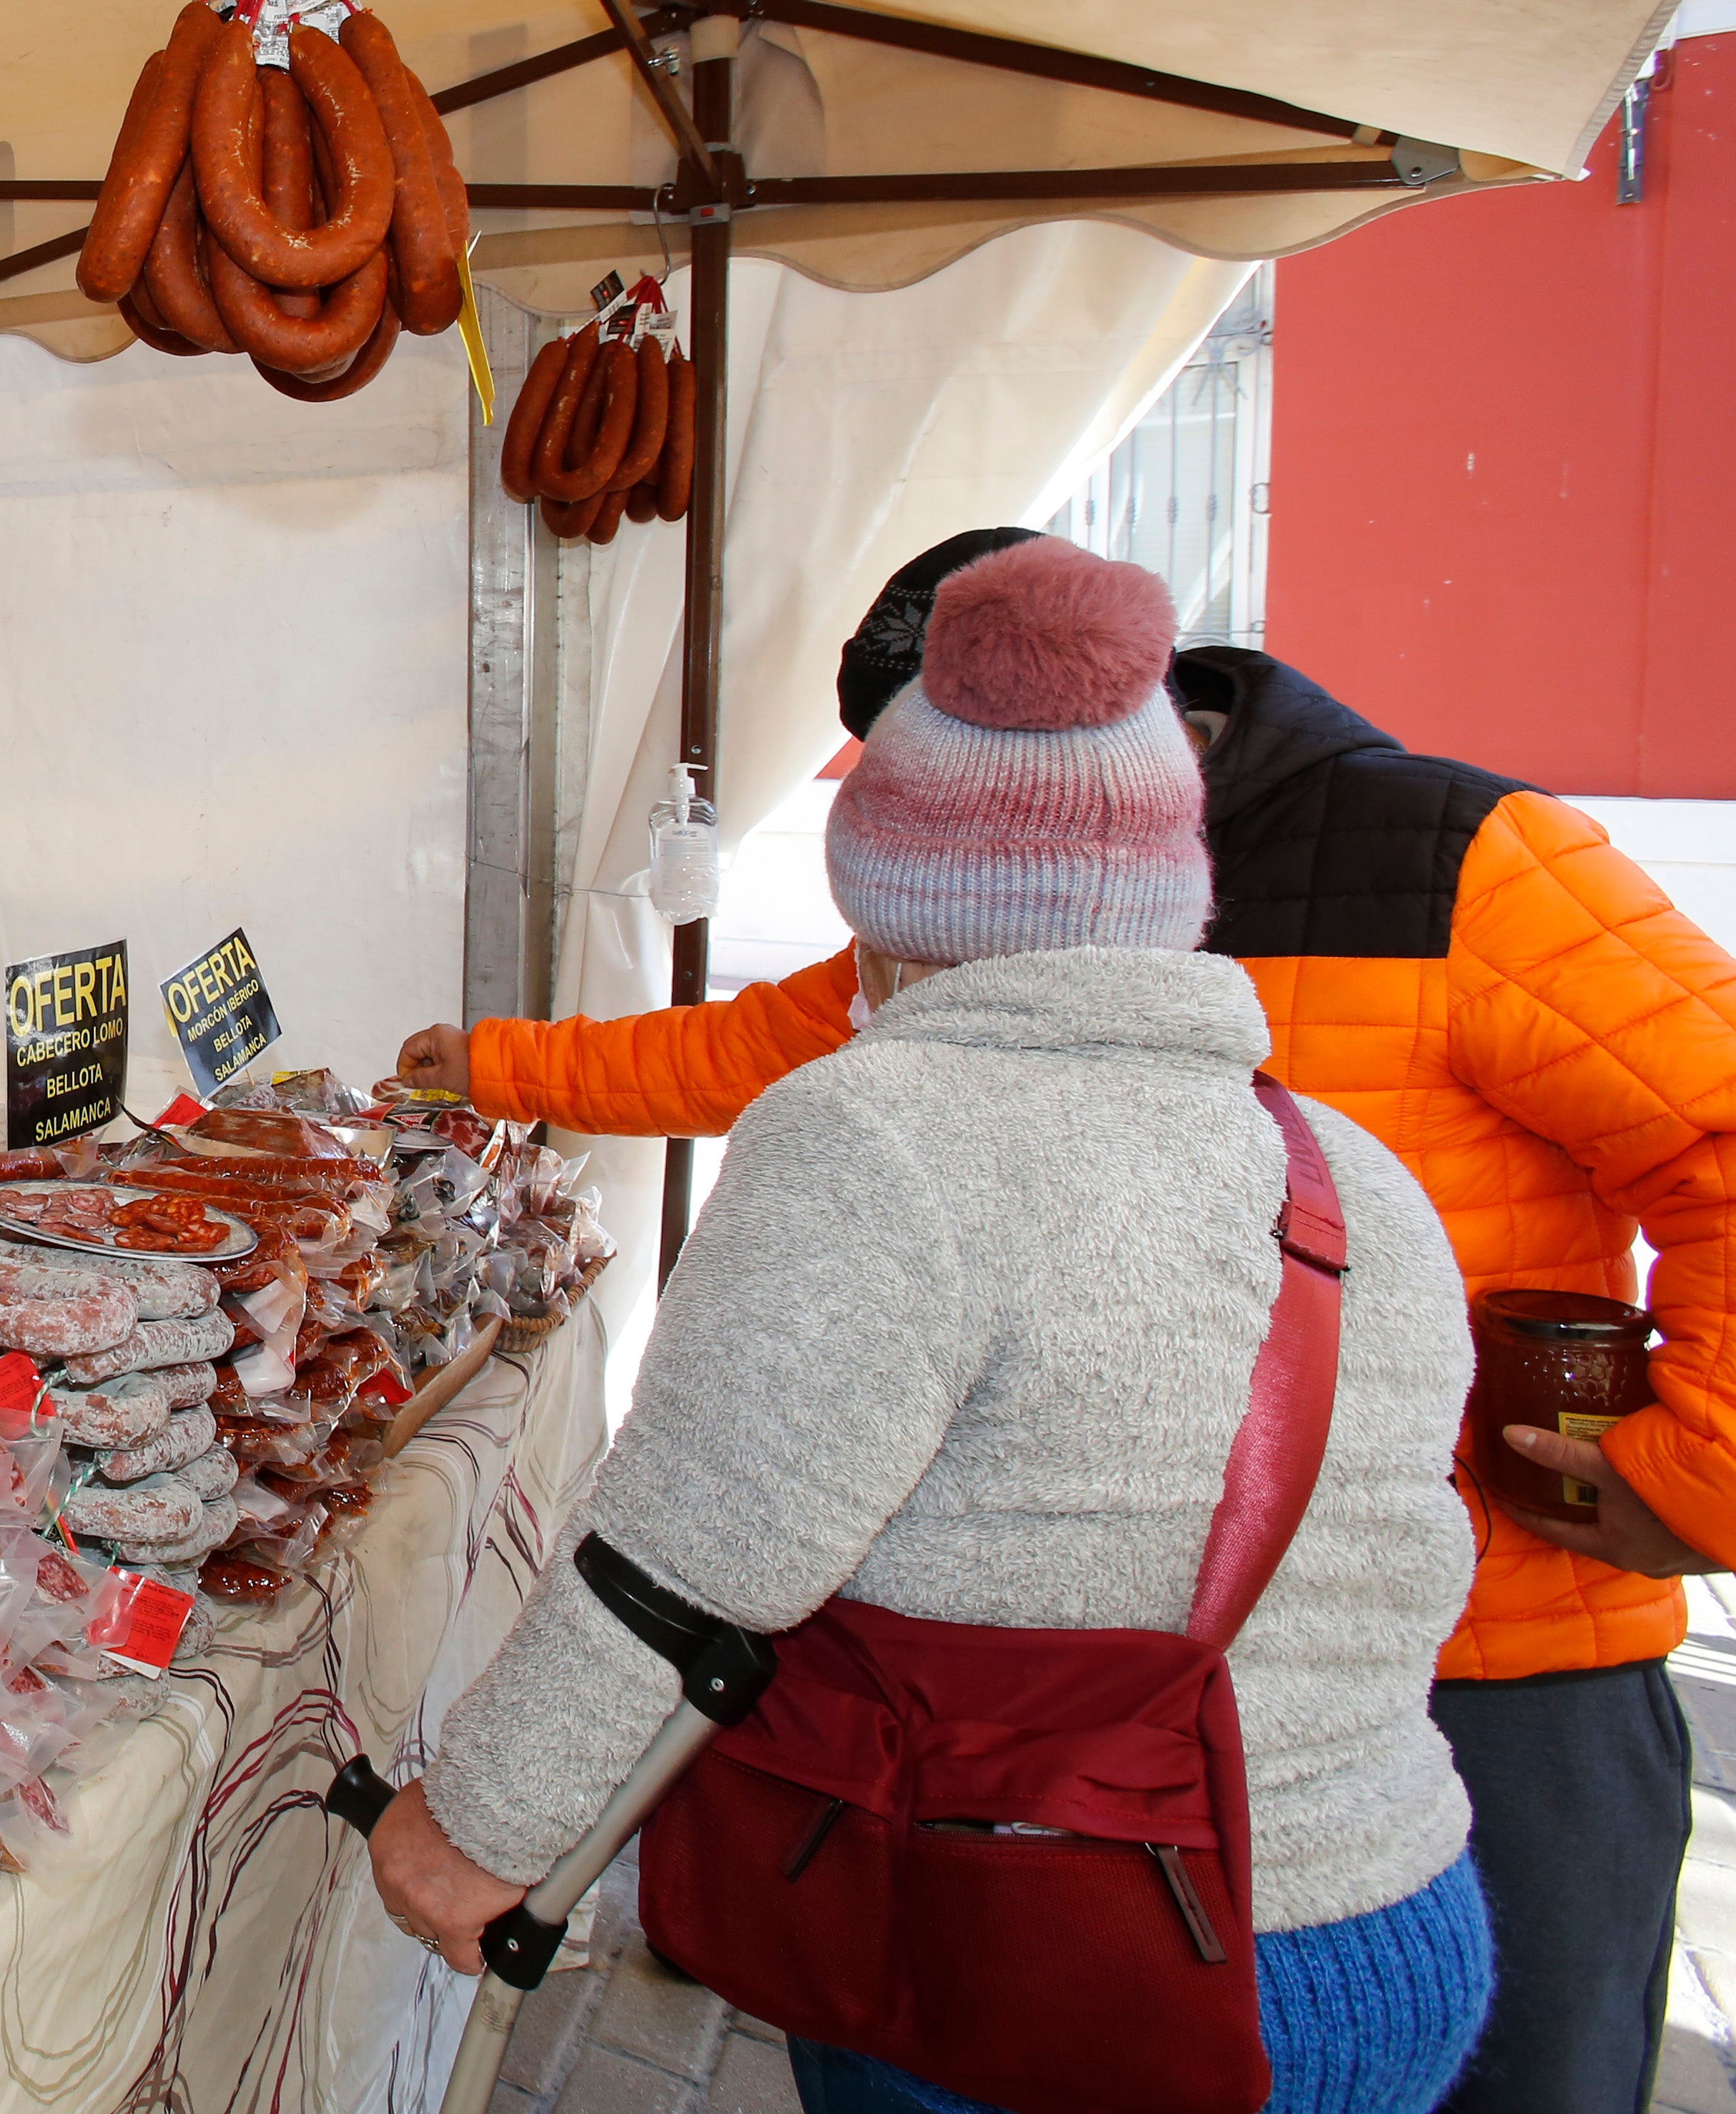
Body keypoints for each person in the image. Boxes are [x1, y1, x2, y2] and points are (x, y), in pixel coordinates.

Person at [398, 528, 1736, 2112]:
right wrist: (481, 1061)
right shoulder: (1343, 1161)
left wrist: (481, 1827)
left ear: (895, 889)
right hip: (1373, 1902)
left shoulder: (884, 1121)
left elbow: (692, 1559)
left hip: (1102, 1904)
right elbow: (732, 1045)